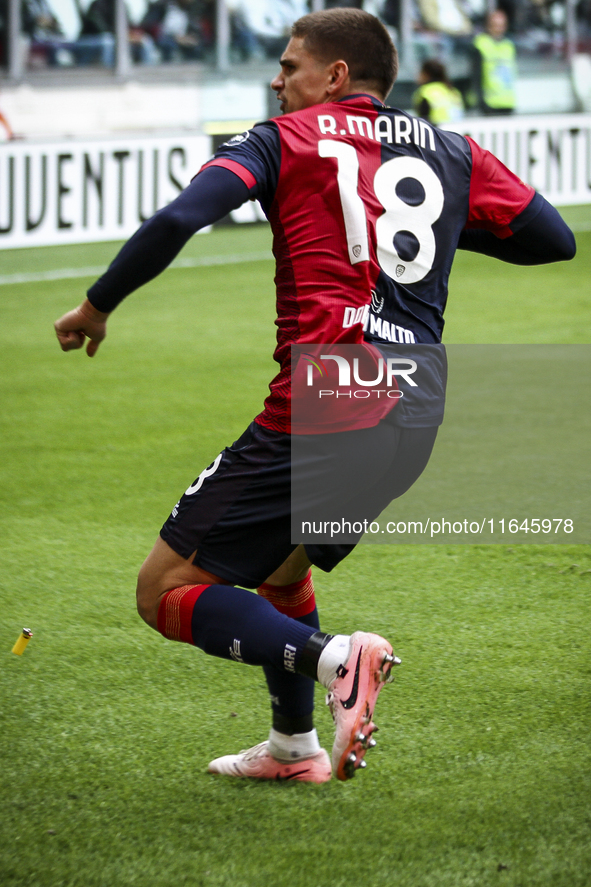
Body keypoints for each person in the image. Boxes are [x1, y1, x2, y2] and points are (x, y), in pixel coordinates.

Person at [54, 8, 575, 784]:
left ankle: (337, 659)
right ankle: (294, 746)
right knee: (283, 572)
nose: (276, 80)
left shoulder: (280, 139)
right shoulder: (454, 149)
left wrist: (97, 303)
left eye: (290, 65)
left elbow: (180, 215)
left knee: (162, 590)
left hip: (331, 397)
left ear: (334, 76)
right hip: (416, 409)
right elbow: (551, 239)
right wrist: (432, 226)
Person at [472, 8, 517, 115]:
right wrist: (481, 102)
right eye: (495, 25)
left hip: (508, 102)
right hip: (489, 104)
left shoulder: (509, 46)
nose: (499, 29)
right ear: (488, 25)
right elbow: (476, 75)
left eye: (502, 25)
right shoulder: (480, 44)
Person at [413, 58, 464, 125]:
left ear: (426, 74)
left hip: (437, 132)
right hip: (456, 131)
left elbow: (423, 121)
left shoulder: (425, 92)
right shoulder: (453, 91)